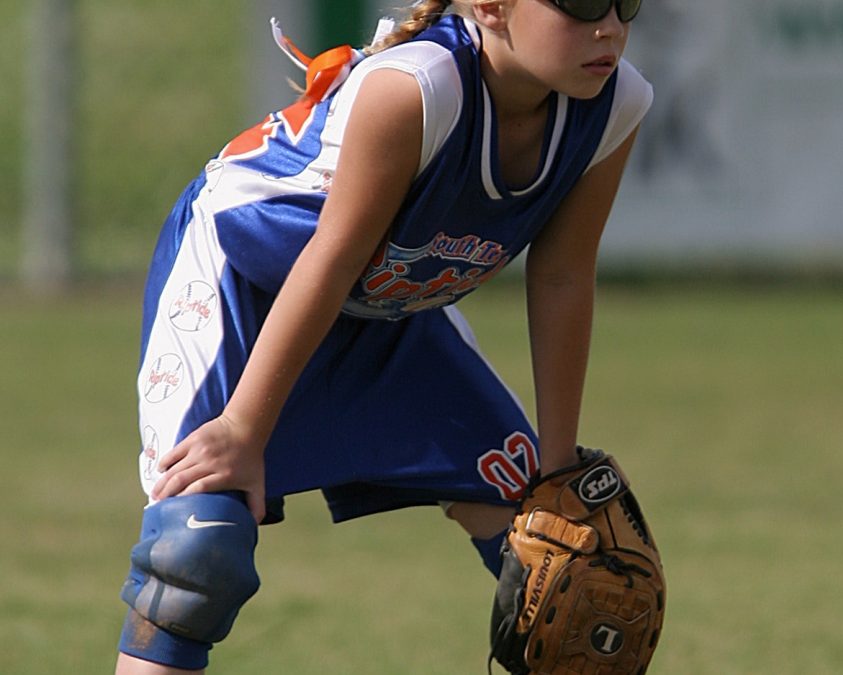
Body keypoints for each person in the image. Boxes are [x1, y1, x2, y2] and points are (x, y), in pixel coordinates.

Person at [115, 0, 651, 671]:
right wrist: (244, 430)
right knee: (196, 557)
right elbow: (329, 259)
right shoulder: (417, 90)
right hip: (247, 283)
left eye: (627, 1)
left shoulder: (613, 102)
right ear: (489, 6)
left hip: (388, 308)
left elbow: (564, 277)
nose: (610, 26)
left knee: (552, 557)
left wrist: (557, 466)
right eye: (578, 2)